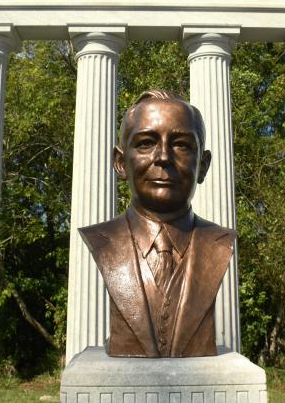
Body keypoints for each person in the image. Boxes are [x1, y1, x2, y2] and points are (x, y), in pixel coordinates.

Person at [79, 90, 236, 357]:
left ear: (203, 165)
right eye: (146, 143)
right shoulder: (101, 240)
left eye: (181, 145)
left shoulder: (220, 243)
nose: (163, 157)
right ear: (120, 163)